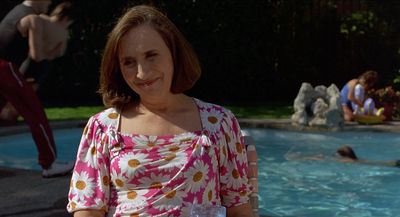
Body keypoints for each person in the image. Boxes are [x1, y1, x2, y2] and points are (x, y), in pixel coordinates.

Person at [67, 5, 253, 217]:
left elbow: (238, 209)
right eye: (129, 62)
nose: (142, 72)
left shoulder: (218, 124)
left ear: (174, 53)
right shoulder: (103, 129)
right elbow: (87, 211)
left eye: (151, 55)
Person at [0, 0, 74, 178]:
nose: (48, 5)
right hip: (5, 68)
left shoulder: (16, 12)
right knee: (35, 113)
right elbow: (36, 55)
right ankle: (49, 163)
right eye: (47, 1)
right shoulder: (32, 18)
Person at [0, 1, 74, 124]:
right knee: (24, 97)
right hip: (41, 65)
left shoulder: (42, 19)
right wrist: (48, 54)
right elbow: (59, 53)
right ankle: (8, 118)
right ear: (68, 19)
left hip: (26, 62)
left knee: (12, 94)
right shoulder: (63, 32)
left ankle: (5, 116)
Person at [286, 145, 400, 168]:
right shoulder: (356, 159)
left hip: (363, 164)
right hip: (368, 162)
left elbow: (320, 159)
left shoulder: (345, 161)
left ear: (342, 156)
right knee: (384, 163)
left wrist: (299, 158)